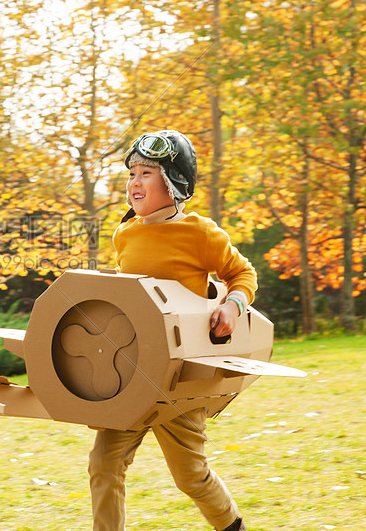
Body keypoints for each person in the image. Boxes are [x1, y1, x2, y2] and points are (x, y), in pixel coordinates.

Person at [88, 130, 256, 531]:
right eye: (131, 173)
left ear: (174, 181)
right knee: (104, 463)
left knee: (190, 476)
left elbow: (242, 273)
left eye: (146, 172)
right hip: (131, 373)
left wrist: (232, 306)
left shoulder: (200, 233)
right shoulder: (124, 233)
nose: (134, 182)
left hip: (181, 379)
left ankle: (233, 527)